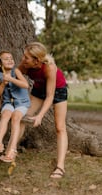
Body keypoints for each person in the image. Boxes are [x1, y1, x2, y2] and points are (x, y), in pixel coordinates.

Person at [18, 42, 68, 179]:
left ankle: (60, 167)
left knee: (60, 127)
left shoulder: (50, 68)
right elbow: (13, 78)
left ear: (36, 61)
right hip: (39, 89)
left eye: (26, 57)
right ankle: (11, 151)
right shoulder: (25, 66)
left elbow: (50, 96)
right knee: (21, 116)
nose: (22, 60)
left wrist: (40, 116)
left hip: (58, 90)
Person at [0, 51, 30, 162]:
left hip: (21, 103)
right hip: (8, 103)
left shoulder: (16, 71)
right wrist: (3, 83)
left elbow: (25, 85)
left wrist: (11, 79)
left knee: (15, 118)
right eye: (6, 59)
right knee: (5, 115)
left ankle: (12, 149)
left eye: (11, 58)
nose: (10, 60)